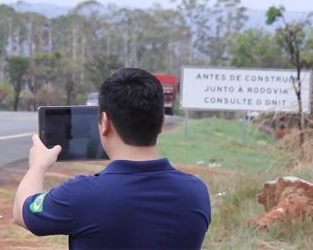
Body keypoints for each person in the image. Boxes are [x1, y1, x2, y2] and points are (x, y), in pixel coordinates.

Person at [13, 67, 211, 249]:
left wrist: (37, 166)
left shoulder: (82, 194)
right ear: (161, 124)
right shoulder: (196, 192)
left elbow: (22, 212)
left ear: (105, 123)